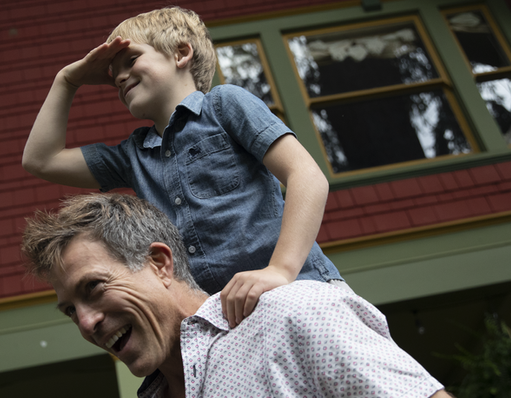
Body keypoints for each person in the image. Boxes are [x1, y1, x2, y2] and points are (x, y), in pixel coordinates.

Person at [23, 6, 346, 328]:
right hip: (225, 320)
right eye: (114, 72)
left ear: (180, 53)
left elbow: (306, 175)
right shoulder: (133, 156)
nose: (119, 77)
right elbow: (41, 160)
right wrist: (67, 80)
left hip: (297, 289)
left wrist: (280, 270)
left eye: (130, 60)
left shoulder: (224, 105)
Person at [21, 193, 450, 398]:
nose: (86, 323)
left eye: (94, 288)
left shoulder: (293, 315)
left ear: (159, 263)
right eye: (70, 312)